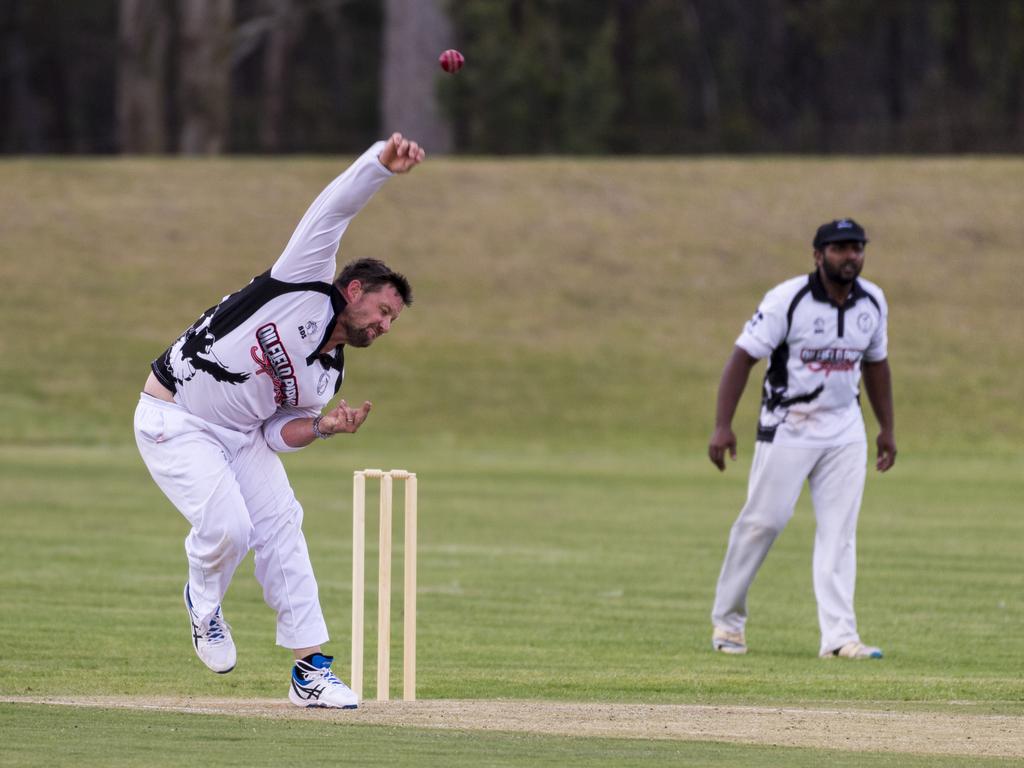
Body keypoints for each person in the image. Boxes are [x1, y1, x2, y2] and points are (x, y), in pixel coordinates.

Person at [133, 133, 425, 709]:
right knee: (230, 530)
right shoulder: (303, 278)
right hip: (175, 415)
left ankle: (309, 671)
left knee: (283, 528)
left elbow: (274, 432)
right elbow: (334, 206)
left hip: (242, 440)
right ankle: (203, 598)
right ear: (355, 290)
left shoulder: (327, 377)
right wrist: (379, 166)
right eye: (384, 311)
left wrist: (322, 428)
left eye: (394, 321)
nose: (386, 326)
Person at [707, 218, 896, 660]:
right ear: (817, 255)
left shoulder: (873, 301)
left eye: (857, 248)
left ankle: (839, 638)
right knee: (763, 523)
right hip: (788, 425)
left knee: (840, 533)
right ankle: (728, 622)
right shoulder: (787, 299)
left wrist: (886, 428)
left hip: (844, 431)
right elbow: (742, 358)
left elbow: (876, 365)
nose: (851, 256)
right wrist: (722, 424)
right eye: (840, 248)